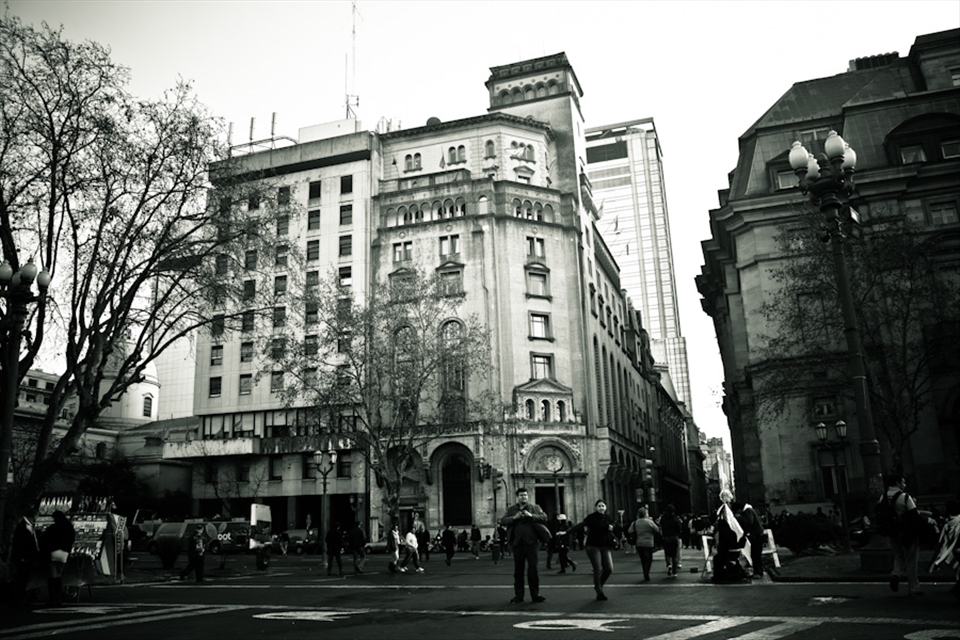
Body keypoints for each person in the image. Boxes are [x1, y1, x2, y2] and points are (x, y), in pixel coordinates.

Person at [500, 486, 548, 604]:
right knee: (518, 571)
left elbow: (544, 517)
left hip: (532, 544)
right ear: (517, 497)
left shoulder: (535, 508)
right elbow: (503, 521)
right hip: (517, 544)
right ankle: (519, 595)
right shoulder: (511, 509)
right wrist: (514, 518)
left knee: (533, 570)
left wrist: (531, 516)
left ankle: (535, 595)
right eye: (521, 495)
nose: (524, 497)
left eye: (525, 495)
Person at [881, 474, 923, 596]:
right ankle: (913, 588)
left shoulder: (882, 497)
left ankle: (895, 574)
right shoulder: (904, 497)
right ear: (898, 482)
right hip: (906, 532)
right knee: (911, 559)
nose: (904, 485)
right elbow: (914, 516)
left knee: (899, 555)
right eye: (903, 482)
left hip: (892, 532)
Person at [566, 499, 616, 601]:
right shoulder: (591, 517)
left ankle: (599, 585)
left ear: (606, 508)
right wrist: (567, 532)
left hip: (605, 545)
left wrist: (613, 527)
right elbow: (580, 525)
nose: (601, 508)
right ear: (596, 508)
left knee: (609, 569)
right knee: (597, 568)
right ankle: (599, 592)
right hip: (593, 546)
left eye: (603, 506)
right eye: (599, 506)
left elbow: (615, 527)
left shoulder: (608, 517)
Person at [39, 510, 75, 606]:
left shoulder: (53, 528)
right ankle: (58, 597)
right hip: (64, 553)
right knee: (58, 575)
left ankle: (53, 598)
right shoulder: (68, 527)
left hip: (53, 552)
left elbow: (45, 540)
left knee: (52, 577)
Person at [928, 499, 960, 602]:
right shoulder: (957, 521)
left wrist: (937, 560)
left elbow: (943, 542)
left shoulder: (948, 524)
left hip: (954, 551)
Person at [712, 490, 747, 583]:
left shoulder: (725, 530)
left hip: (728, 551)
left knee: (717, 559)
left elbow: (723, 547)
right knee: (720, 557)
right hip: (735, 550)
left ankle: (719, 576)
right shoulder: (733, 530)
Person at [10, 514, 40, 607]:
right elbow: (25, 543)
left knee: (22, 578)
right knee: (23, 578)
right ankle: (19, 598)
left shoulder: (24, 525)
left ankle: (20, 598)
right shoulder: (25, 526)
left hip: (24, 557)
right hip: (25, 557)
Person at [628, 507, 659, 582]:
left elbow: (629, 531)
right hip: (649, 543)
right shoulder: (649, 522)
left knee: (643, 559)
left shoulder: (635, 522)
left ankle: (644, 571)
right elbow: (657, 529)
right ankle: (647, 572)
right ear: (646, 514)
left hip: (639, 543)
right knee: (649, 559)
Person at [738, 502, 766, 579]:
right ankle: (759, 571)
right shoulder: (750, 510)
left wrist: (740, 518)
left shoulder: (748, 511)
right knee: (756, 555)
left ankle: (758, 572)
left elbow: (749, 522)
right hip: (758, 535)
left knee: (755, 555)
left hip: (756, 536)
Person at [659, 504, 682, 577]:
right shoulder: (675, 518)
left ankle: (669, 564)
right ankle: (674, 571)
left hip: (666, 537)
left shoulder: (663, 518)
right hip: (674, 537)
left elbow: (661, 527)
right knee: (675, 554)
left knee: (667, 553)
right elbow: (679, 528)